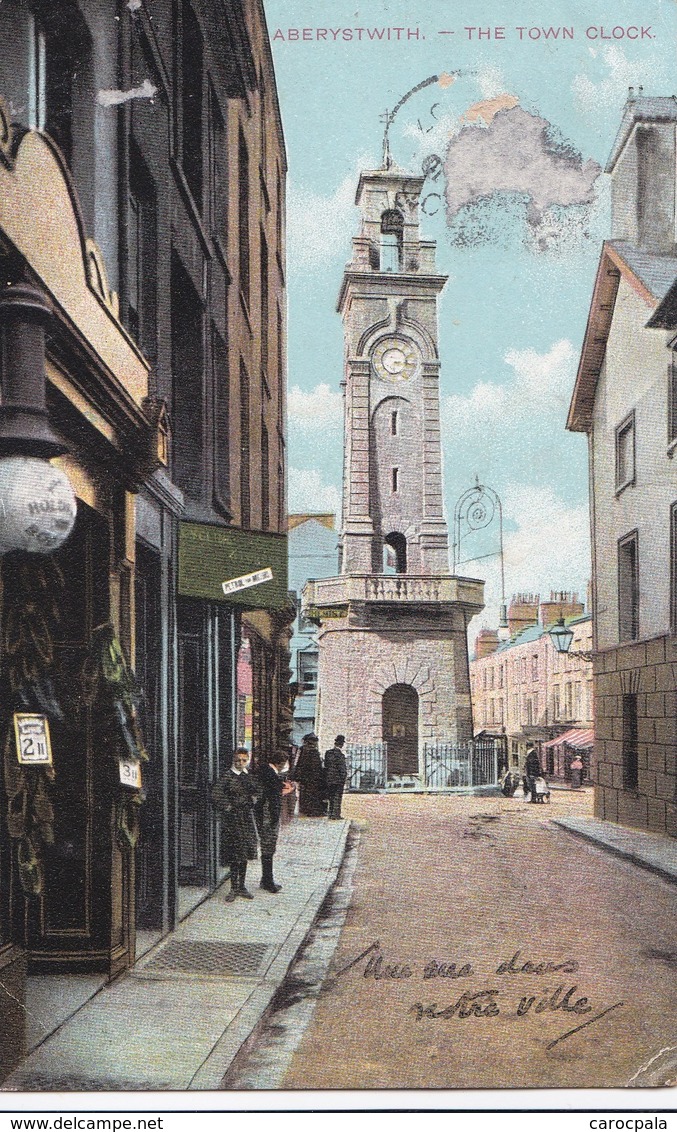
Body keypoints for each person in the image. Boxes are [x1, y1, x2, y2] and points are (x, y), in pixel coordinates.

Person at [211, 747, 259, 901]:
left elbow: (257, 790)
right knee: (234, 853)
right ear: (234, 760)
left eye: (244, 760)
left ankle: (242, 887)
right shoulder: (228, 776)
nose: (241, 763)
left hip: (246, 818)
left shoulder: (248, 775)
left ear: (248, 760)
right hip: (233, 820)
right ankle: (233, 887)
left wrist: (254, 798)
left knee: (244, 852)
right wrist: (228, 807)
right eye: (238, 760)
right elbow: (216, 793)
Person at [254, 752, 289, 893]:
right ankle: (268, 881)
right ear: (280, 763)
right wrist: (275, 819)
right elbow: (272, 798)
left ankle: (266, 879)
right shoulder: (271, 775)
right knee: (268, 848)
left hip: (264, 813)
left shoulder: (265, 771)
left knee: (267, 848)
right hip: (268, 815)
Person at [292, 732, 327, 816]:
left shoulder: (303, 750)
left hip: (310, 778)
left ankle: (307, 810)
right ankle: (311, 811)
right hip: (311, 777)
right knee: (311, 794)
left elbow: (298, 764)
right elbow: (301, 764)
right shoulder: (308, 751)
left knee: (308, 794)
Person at [324, 734, 348, 819]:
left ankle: (330, 814)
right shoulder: (340, 755)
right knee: (337, 797)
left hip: (329, 779)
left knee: (331, 797)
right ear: (341, 744)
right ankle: (336, 815)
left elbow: (326, 766)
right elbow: (342, 769)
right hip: (338, 780)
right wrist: (344, 778)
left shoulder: (328, 753)